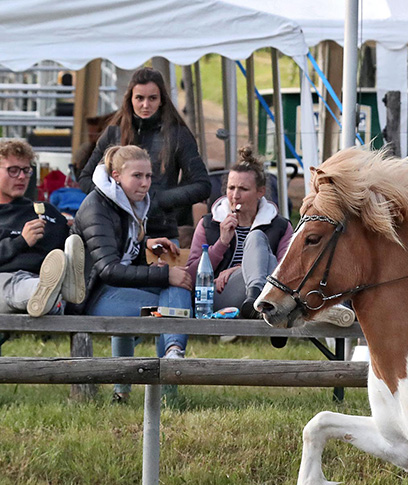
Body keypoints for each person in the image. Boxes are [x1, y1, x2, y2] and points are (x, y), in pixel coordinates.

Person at [75, 145, 193, 403]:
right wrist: (163, 276)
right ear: (116, 176)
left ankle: (172, 359)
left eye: (149, 176)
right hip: (93, 295)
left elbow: (124, 253)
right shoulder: (97, 206)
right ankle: (156, 385)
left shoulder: (131, 203)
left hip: (115, 286)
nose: (145, 183)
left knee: (178, 285)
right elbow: (108, 269)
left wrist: (145, 246)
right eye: (137, 176)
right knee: (169, 300)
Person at [78, 68, 210, 242]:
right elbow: (85, 178)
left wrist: (159, 199)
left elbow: (202, 185)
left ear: (162, 100)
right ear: (130, 99)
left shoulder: (177, 135)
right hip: (117, 232)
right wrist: (115, 197)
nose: (145, 105)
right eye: (140, 98)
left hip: (161, 231)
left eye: (152, 98)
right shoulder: (113, 133)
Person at [185, 146, 292, 318]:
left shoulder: (280, 226)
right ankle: (268, 312)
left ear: (260, 192)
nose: (235, 196)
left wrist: (238, 269)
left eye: (243, 189)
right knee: (267, 257)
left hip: (268, 290)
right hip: (219, 296)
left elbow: (286, 275)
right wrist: (221, 243)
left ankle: (255, 297)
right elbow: (190, 276)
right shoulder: (209, 224)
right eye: (231, 188)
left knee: (258, 239)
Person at [0, 138, 85, 317]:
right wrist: (21, 241)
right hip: (7, 279)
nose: (22, 177)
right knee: (13, 284)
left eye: (26, 170)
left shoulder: (46, 211)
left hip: (44, 276)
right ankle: (51, 294)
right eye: (13, 170)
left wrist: (77, 229)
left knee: (70, 248)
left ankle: (53, 293)